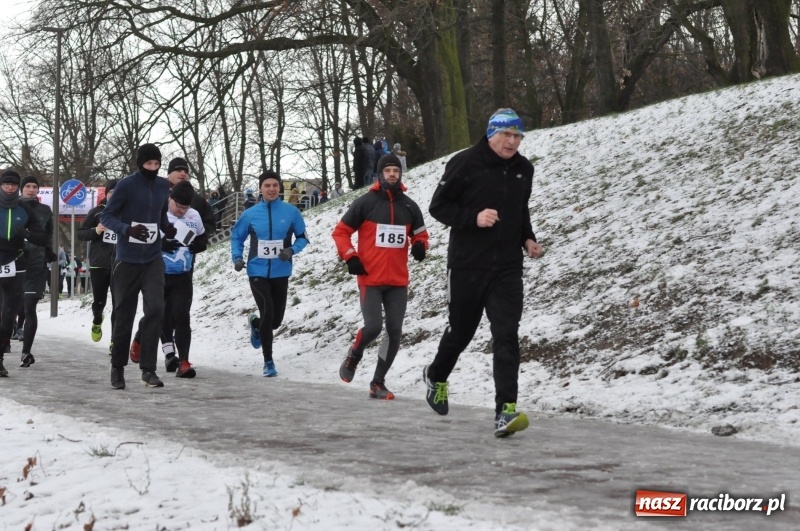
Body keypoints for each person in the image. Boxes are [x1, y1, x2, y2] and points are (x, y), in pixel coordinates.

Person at [422, 108, 543, 438]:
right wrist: (473, 218)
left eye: (517, 136)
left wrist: (527, 238)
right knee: (461, 332)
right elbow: (438, 206)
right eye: (506, 135)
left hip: (506, 268)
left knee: (506, 335)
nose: (512, 142)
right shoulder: (465, 162)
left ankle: (505, 411)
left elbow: (520, 210)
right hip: (467, 264)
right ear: (492, 134)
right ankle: (436, 375)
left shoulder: (523, 169)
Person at [333, 153, 429, 399]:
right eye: (387, 171)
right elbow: (341, 232)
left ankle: (377, 382)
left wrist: (420, 245)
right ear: (379, 174)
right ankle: (355, 354)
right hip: (370, 278)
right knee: (374, 327)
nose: (392, 174)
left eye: (396, 170)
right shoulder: (365, 202)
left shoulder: (409, 206)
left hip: (398, 281)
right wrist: (350, 256)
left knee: (395, 330)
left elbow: (421, 235)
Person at [100, 143, 176, 390]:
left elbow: (161, 214)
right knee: (124, 313)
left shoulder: (164, 185)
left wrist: (167, 228)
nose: (153, 169)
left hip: (153, 258)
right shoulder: (126, 185)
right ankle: (117, 367)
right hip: (127, 259)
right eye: (148, 164)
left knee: (155, 309)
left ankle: (148, 369)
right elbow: (106, 217)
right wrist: (127, 229)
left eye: (156, 164)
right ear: (139, 164)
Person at [230, 170, 308, 377]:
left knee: (275, 321)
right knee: (268, 312)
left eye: (275, 185)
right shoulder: (250, 214)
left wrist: (291, 250)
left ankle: (256, 324)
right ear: (261, 189)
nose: (271, 189)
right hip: (257, 271)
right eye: (267, 185)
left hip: (281, 271)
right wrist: (237, 258)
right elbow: (236, 237)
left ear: (280, 187)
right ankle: (268, 362)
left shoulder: (291, 212)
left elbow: (303, 237)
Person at [156, 181, 206, 378]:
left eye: (185, 208)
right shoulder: (158, 213)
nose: (181, 212)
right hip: (158, 274)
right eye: (178, 207)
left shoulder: (194, 215)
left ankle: (184, 361)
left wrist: (201, 245)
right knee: (162, 314)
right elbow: (143, 238)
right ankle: (169, 353)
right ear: (170, 199)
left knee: (182, 315)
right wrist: (160, 243)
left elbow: (203, 236)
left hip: (183, 276)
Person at [0, 170, 46, 377]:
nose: (10, 188)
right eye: (6, 184)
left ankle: (0, 359)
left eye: (13, 185)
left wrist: (26, 234)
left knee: (8, 314)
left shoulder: (24, 208)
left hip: (15, 261)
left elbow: (41, 236)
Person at [15, 175, 54, 368]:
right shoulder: (11, 208)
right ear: (21, 189)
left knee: (30, 308)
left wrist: (49, 252)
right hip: (13, 263)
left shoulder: (45, 211)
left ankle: (26, 352)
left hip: (36, 265)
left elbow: (48, 235)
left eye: (34, 186)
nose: (31, 189)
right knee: (9, 308)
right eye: (27, 186)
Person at [77, 179, 119, 345]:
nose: (115, 197)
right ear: (106, 194)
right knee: (99, 301)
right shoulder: (96, 213)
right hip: (99, 263)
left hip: (121, 264)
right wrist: (96, 230)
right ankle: (96, 320)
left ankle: (114, 341)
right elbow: (81, 234)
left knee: (119, 305)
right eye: (111, 193)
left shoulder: (128, 212)